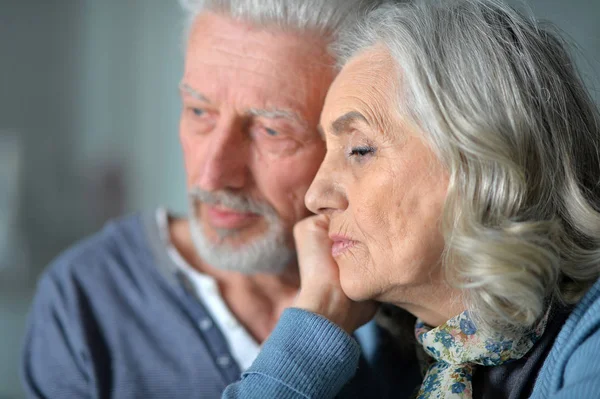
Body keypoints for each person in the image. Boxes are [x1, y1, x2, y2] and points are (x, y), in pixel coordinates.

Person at [20, 1, 414, 398]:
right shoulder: (84, 299)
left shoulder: (417, 287)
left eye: (273, 131)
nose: (213, 175)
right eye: (198, 111)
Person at [222, 0, 600, 398]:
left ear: (486, 156)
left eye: (360, 150)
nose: (317, 197)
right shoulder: (386, 364)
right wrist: (319, 315)